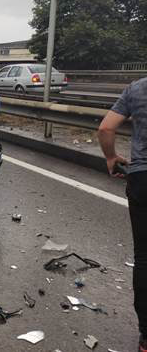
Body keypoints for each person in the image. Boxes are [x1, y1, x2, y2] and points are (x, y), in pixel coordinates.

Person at [98, 79, 147, 352]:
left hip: (143, 179)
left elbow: (105, 128)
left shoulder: (137, 88)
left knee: (144, 257)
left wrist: (111, 157)